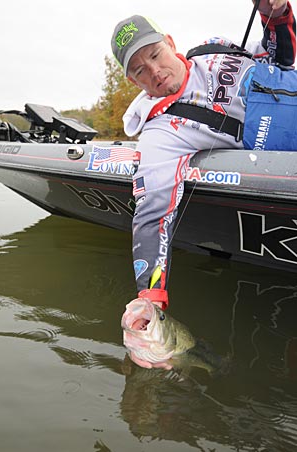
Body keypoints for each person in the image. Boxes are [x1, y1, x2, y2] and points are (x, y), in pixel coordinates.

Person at [111, 1, 296, 366]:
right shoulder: (160, 134)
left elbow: (282, 58)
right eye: (139, 70)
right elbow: (151, 214)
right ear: (133, 82)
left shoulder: (216, 45)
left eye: (154, 54)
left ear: (169, 41)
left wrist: (276, 15)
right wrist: (150, 297)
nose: (154, 71)